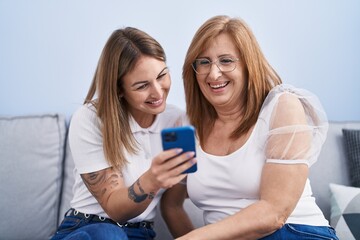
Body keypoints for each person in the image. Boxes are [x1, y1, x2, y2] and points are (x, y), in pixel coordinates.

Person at [161, 15, 339, 240]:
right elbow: (171, 205)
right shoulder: (188, 126)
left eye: (226, 61)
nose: (213, 73)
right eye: (204, 62)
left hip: (293, 233)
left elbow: (274, 214)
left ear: (248, 65)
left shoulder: (282, 106)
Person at [51, 27, 196, 240]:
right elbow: (114, 208)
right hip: (90, 228)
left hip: (141, 233)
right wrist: (152, 180)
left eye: (162, 75)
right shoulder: (91, 118)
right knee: (110, 234)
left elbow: (172, 207)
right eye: (142, 85)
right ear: (119, 90)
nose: (157, 92)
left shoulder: (177, 121)